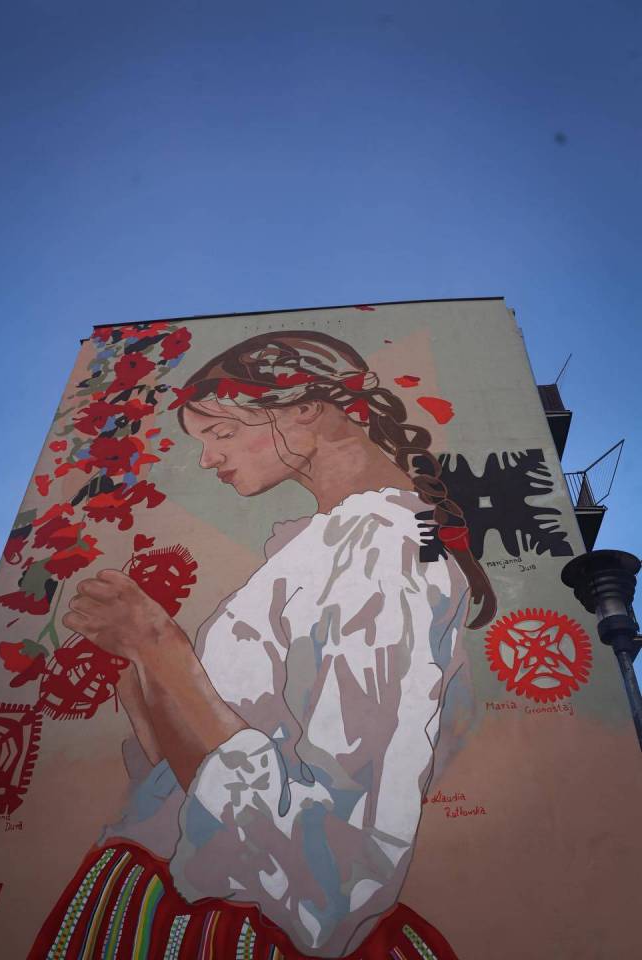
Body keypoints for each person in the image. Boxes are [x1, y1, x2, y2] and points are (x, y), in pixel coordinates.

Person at [29, 331, 496, 959]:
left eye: (220, 432)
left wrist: (162, 649)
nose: (206, 460)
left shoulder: (384, 548)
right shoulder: (324, 547)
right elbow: (199, 782)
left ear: (305, 409)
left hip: (228, 924)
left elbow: (337, 862)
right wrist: (149, 687)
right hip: (173, 888)